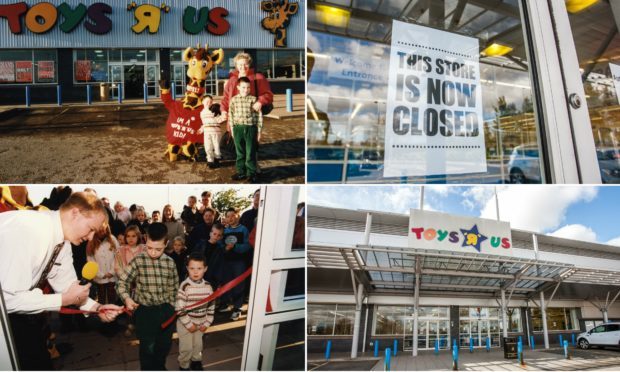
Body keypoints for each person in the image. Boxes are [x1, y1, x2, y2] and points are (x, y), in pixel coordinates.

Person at [0, 192, 123, 370]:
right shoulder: (30, 229)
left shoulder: (62, 241)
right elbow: (8, 299)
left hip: (22, 316)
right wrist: (62, 300)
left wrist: (97, 308)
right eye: (91, 229)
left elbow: (67, 286)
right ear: (75, 213)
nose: (90, 238)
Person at [116, 223, 179, 371]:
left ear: (166, 244)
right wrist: (127, 299)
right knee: (147, 349)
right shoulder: (139, 260)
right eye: (149, 247)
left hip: (166, 311)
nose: (153, 252)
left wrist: (172, 308)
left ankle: (160, 367)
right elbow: (121, 282)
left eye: (158, 249)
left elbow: (174, 290)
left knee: (164, 346)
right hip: (145, 313)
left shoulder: (170, 263)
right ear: (145, 239)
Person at [175, 252, 215, 371]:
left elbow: (211, 306)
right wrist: (188, 324)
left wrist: (207, 322)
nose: (195, 272)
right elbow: (179, 307)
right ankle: (184, 366)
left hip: (201, 322)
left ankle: (196, 362)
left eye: (199, 268)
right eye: (192, 268)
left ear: (205, 269)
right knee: (186, 348)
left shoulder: (208, 286)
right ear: (187, 268)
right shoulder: (185, 286)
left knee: (198, 345)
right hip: (185, 324)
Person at [229, 76, 263, 183]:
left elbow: (259, 116)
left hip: (250, 129)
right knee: (240, 153)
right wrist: (233, 129)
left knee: (250, 152)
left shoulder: (254, 100)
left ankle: (251, 174)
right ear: (238, 87)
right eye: (243, 87)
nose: (246, 90)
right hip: (238, 128)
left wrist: (259, 131)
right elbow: (231, 115)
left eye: (248, 87)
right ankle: (241, 172)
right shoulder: (234, 100)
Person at [114, 225, 146, 337]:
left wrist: (139, 278)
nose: (130, 239)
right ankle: (130, 325)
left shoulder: (144, 248)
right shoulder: (121, 250)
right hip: (127, 282)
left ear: (138, 236)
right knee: (129, 305)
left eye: (133, 236)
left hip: (141, 283)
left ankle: (141, 326)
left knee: (141, 305)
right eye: (128, 236)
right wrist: (127, 278)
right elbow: (117, 267)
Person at [219, 208, 250, 321]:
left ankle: (237, 308)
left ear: (238, 216)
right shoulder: (225, 230)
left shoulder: (243, 229)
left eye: (233, 215)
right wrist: (224, 248)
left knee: (238, 284)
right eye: (228, 216)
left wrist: (235, 247)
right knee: (225, 282)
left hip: (239, 261)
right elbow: (220, 244)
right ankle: (225, 303)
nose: (230, 218)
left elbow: (248, 245)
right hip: (226, 261)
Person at [86, 223, 119, 305]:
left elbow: (118, 256)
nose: (101, 231)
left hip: (112, 276)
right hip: (99, 277)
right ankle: (102, 315)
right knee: (101, 298)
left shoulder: (112, 239)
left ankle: (113, 315)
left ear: (107, 228)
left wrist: (112, 272)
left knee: (112, 297)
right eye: (99, 229)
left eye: (103, 228)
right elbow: (90, 260)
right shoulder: (91, 241)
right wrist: (100, 274)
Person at [198, 95, 227, 169]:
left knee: (217, 146)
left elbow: (220, 120)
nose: (209, 103)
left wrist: (223, 117)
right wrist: (201, 129)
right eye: (207, 101)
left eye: (210, 101)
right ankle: (210, 160)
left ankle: (217, 159)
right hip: (207, 133)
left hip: (216, 132)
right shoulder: (202, 113)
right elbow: (204, 124)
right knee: (208, 147)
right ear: (202, 102)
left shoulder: (215, 110)